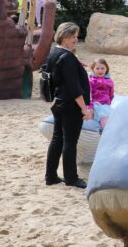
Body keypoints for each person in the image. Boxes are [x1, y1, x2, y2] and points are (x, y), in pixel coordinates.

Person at [44, 22, 93, 188]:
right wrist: (84, 108)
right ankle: (71, 178)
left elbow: (55, 74)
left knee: (57, 140)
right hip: (71, 106)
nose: (76, 39)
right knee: (70, 142)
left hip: (58, 103)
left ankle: (50, 176)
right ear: (64, 37)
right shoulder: (68, 57)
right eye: (73, 36)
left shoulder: (54, 53)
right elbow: (74, 88)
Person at [88, 58, 114, 130]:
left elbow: (111, 94)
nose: (100, 70)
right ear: (93, 69)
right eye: (97, 68)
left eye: (102, 68)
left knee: (111, 116)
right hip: (95, 104)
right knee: (104, 116)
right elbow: (88, 94)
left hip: (105, 105)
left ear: (106, 69)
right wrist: (90, 107)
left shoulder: (109, 81)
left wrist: (108, 102)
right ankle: (106, 131)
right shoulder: (91, 80)